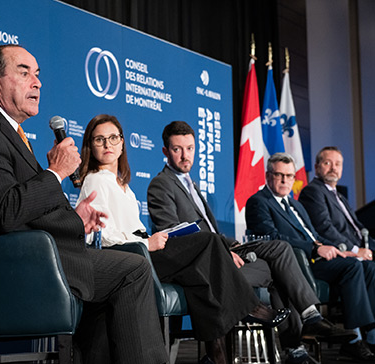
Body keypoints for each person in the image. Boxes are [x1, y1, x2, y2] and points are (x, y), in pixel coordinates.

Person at [0, 45, 169, 364]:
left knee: (123, 267)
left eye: (38, 74)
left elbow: (22, 205)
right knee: (132, 268)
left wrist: (74, 217)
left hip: (44, 254)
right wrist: (56, 172)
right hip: (17, 267)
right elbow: (3, 213)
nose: (37, 82)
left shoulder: (7, 132)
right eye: (24, 72)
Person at [76, 114, 290, 364]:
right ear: (90, 146)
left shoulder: (122, 185)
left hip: (142, 250)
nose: (107, 144)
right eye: (99, 139)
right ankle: (251, 308)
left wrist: (150, 238)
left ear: (122, 143)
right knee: (208, 242)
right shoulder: (95, 180)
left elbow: (129, 228)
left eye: (113, 138)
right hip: (130, 261)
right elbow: (98, 236)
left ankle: (216, 356)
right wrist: (147, 243)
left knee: (202, 277)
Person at [146, 121, 355, 364]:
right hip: (198, 262)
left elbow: (212, 230)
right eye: (177, 149)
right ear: (165, 151)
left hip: (219, 249)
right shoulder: (161, 184)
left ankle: (310, 314)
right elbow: (174, 233)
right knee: (276, 271)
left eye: (190, 148)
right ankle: (295, 348)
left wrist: (230, 246)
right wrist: (221, 252)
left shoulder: (191, 184)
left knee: (279, 251)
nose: (185, 155)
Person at [246, 152, 375, 362]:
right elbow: (272, 238)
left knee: (365, 265)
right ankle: (354, 340)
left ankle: (369, 335)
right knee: (352, 267)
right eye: (279, 175)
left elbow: (315, 235)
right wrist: (315, 249)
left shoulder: (295, 205)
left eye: (289, 176)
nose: (284, 180)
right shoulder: (259, 202)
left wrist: (335, 248)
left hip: (315, 258)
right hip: (296, 263)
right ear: (268, 176)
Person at [299, 146, 375, 257]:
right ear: (316, 167)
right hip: (342, 252)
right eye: (327, 163)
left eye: (338, 164)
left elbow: (356, 227)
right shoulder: (313, 191)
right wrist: (355, 250)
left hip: (362, 247)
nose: (333, 168)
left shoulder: (339, 195)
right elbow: (324, 228)